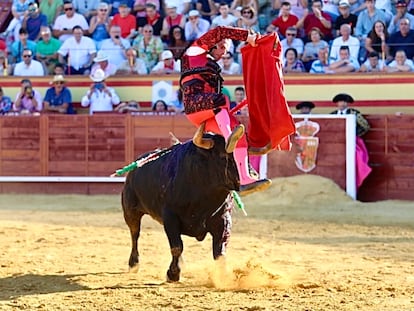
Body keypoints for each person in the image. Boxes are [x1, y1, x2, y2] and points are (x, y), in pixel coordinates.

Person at [180, 26, 271, 195]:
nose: (223, 53)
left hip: (210, 111)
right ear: (212, 44)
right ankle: (229, 136)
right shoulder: (193, 52)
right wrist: (246, 36)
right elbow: (221, 30)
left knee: (240, 135)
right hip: (195, 106)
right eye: (222, 47)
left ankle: (244, 180)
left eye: (226, 50)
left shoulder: (212, 65)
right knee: (222, 100)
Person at [330, 93, 371, 189]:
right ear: (337, 103)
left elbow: (366, 126)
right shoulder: (332, 115)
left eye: (344, 102)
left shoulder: (354, 113)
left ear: (347, 103)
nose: (342, 104)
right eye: (340, 102)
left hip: (352, 142)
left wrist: (353, 135)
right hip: (337, 144)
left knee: (357, 159)